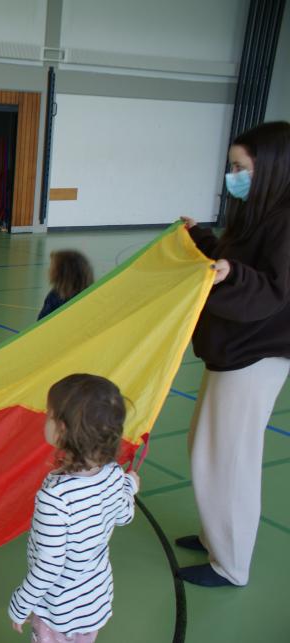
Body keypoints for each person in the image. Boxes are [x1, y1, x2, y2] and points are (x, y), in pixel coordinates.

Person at [176, 120, 290, 587]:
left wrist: (233, 275)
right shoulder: (257, 213)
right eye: (232, 167)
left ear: (271, 168)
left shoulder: (285, 221)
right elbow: (234, 262)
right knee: (205, 447)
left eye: (241, 168)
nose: (233, 177)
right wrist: (201, 239)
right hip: (232, 353)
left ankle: (231, 564)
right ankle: (214, 537)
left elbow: (271, 290)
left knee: (230, 460)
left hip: (255, 358)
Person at [9, 374, 139, 642]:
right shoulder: (113, 473)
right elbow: (124, 515)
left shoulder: (55, 498)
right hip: (94, 600)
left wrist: (21, 603)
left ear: (62, 430)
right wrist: (130, 487)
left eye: (49, 414)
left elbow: (48, 566)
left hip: (58, 609)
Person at [37, 250, 94, 320]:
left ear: (61, 273)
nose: (48, 270)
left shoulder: (54, 297)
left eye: (52, 268)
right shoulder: (91, 296)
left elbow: (42, 322)